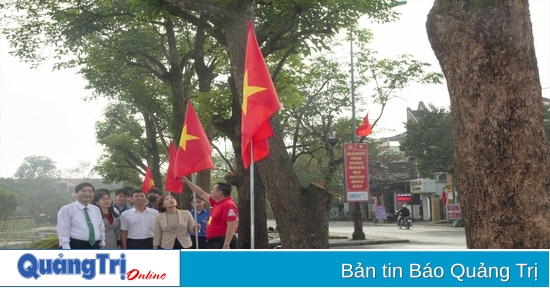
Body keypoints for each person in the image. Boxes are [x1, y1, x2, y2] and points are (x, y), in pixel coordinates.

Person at [182, 177, 238, 249]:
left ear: (219, 192)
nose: (211, 191)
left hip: (222, 241)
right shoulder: (216, 203)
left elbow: (231, 226)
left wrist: (226, 244)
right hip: (213, 241)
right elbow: (201, 193)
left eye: (213, 189)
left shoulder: (228, 204)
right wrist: (187, 182)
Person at [57, 183, 106, 249]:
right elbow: (63, 230)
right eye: (83, 191)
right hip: (76, 245)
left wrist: (102, 241)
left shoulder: (96, 209)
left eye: (90, 191)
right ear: (76, 193)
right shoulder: (67, 209)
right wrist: (66, 247)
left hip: (95, 245)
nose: (87, 194)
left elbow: (100, 227)